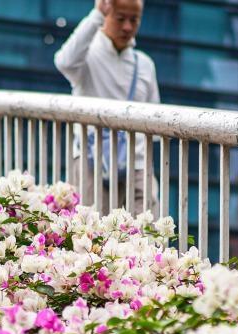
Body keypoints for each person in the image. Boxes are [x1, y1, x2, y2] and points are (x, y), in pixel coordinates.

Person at [54, 0, 161, 214]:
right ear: (106, 14)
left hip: (137, 165)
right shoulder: (87, 56)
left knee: (148, 235)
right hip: (92, 160)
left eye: (134, 20)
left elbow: (156, 124)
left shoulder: (145, 65)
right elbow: (64, 62)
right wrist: (96, 15)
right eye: (120, 18)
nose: (128, 27)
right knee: (93, 237)